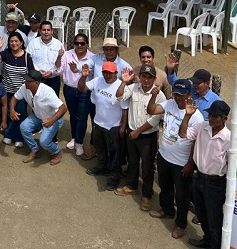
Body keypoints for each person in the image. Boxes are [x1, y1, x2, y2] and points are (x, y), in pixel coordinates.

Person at [146, 79, 203, 239]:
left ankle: (181, 224)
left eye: (182, 95)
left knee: (182, 195)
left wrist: (190, 164)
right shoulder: (169, 104)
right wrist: (153, 96)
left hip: (181, 163)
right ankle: (167, 209)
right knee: (165, 187)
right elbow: (151, 110)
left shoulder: (196, 116)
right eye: (176, 94)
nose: (178, 98)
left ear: (189, 95)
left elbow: (196, 142)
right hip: (164, 156)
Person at [179, 99, 231, 249]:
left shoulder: (228, 138)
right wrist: (187, 116)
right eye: (210, 114)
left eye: (215, 116)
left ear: (224, 118)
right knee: (201, 213)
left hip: (215, 183)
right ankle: (207, 239)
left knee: (214, 217)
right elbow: (183, 133)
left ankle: (215, 245)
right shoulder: (202, 127)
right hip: (198, 177)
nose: (211, 118)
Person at [114, 65, 165, 211]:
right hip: (132, 132)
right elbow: (119, 96)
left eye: (150, 77)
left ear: (154, 79)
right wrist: (124, 82)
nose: (146, 80)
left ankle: (147, 195)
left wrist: (138, 131)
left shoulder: (159, 95)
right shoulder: (134, 87)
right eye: (144, 76)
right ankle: (131, 185)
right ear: (140, 77)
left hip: (147, 136)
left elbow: (155, 119)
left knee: (148, 166)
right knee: (133, 161)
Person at [78, 61, 127, 191]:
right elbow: (81, 87)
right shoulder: (97, 80)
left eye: (110, 73)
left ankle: (114, 176)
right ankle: (102, 167)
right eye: (105, 72)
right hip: (99, 123)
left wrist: (122, 127)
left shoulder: (120, 86)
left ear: (116, 73)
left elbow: (125, 109)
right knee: (100, 149)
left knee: (114, 153)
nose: (107, 75)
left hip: (113, 126)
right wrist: (83, 76)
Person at [12, 69, 68, 165]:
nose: (26, 83)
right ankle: (35, 150)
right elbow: (14, 98)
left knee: (44, 141)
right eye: (26, 80)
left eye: (29, 81)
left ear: (36, 83)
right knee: (24, 127)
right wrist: (12, 110)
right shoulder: (25, 88)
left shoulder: (47, 92)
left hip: (53, 118)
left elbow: (63, 108)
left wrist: (52, 120)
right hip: (38, 116)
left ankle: (57, 151)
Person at [0, 31, 35, 148]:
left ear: (21, 43)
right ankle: (8, 134)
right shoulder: (6, 54)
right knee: (8, 112)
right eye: (11, 41)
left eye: (16, 41)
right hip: (7, 90)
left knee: (20, 113)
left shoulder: (27, 56)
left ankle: (19, 137)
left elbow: (31, 73)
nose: (14, 43)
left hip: (21, 92)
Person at [61, 33, 93, 156]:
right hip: (69, 89)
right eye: (77, 43)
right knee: (73, 115)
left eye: (82, 43)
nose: (79, 45)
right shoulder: (67, 55)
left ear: (87, 44)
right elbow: (60, 69)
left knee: (82, 117)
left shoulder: (92, 58)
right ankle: (74, 137)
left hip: (84, 91)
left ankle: (79, 143)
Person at [26, 20, 64, 96]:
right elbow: (28, 59)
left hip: (53, 79)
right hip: (37, 79)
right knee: (37, 103)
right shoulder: (33, 43)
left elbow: (62, 63)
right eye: (44, 30)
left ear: (52, 31)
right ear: (40, 31)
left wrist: (52, 72)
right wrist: (37, 71)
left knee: (53, 104)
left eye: (48, 30)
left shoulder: (58, 44)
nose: (46, 32)